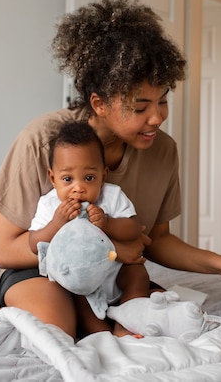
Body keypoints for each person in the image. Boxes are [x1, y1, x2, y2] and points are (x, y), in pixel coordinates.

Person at [0, 0, 221, 340]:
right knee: (58, 331)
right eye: (140, 108)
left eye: (163, 101)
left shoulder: (163, 151)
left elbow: (157, 241)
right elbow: (5, 250)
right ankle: (10, 311)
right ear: (100, 103)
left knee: (155, 329)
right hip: (43, 270)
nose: (157, 118)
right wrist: (96, 249)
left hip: (112, 274)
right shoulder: (44, 140)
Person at [29, 120, 149, 337]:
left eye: (89, 178)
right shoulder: (49, 205)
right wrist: (56, 224)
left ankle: (127, 323)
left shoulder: (111, 196)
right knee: (74, 292)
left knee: (138, 275)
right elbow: (33, 243)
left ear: (103, 175)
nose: (79, 187)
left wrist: (107, 223)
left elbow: (133, 228)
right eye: (67, 179)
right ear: (52, 178)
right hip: (80, 281)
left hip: (116, 274)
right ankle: (101, 334)